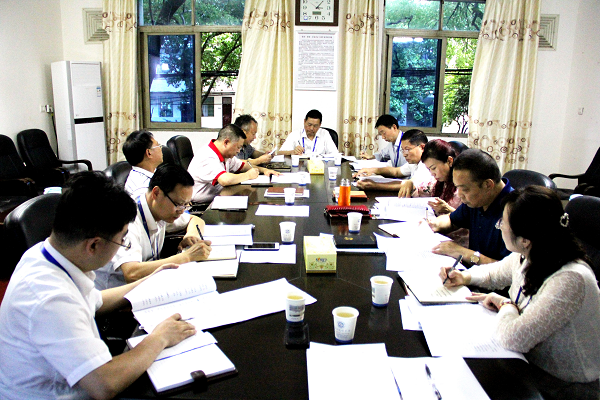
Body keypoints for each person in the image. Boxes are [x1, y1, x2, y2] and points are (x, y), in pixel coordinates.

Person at [0, 172, 196, 400]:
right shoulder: (50, 298)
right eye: (122, 240)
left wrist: (150, 280)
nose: (123, 245)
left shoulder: (46, 254)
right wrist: (159, 337)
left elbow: (97, 300)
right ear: (93, 245)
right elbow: (105, 384)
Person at [441, 186, 600, 400]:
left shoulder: (570, 279)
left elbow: (513, 338)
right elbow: (495, 273)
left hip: (563, 383)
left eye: (503, 223)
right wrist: (464, 277)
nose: (499, 226)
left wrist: (506, 306)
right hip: (526, 360)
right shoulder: (532, 252)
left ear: (525, 238)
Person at [95, 164, 212, 290]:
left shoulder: (160, 210)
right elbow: (131, 273)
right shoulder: (128, 220)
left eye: (185, 205)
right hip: (117, 294)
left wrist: (191, 235)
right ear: (156, 193)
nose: (181, 211)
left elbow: (195, 220)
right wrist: (186, 257)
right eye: (178, 204)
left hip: (147, 285)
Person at [428, 149, 513, 265]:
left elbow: (509, 270)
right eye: (457, 187)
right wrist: (433, 224)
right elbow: (452, 220)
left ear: (487, 185)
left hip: (489, 275)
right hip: (471, 272)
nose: (459, 194)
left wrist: (463, 253)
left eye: (465, 189)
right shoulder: (478, 200)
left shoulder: (515, 212)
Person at [188, 124, 279, 203]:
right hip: (203, 206)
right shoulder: (208, 156)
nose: (239, 151)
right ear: (226, 142)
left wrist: (264, 170)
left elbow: (243, 165)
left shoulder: (225, 155)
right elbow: (225, 180)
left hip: (219, 197)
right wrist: (248, 175)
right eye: (238, 147)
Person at [355, 129, 433, 197]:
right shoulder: (415, 162)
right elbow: (396, 172)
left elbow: (409, 185)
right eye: (403, 150)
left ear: (422, 147)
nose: (404, 154)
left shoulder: (427, 165)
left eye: (407, 149)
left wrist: (375, 185)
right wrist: (372, 170)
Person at [416, 139, 462, 214]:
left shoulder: (463, 186)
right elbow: (421, 188)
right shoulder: (440, 183)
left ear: (449, 161)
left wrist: (449, 210)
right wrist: (410, 184)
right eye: (429, 169)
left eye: (434, 168)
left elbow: (471, 218)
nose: (432, 173)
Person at [122, 129, 163, 199]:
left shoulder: (154, 173)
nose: (161, 149)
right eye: (158, 145)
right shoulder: (142, 189)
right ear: (149, 153)